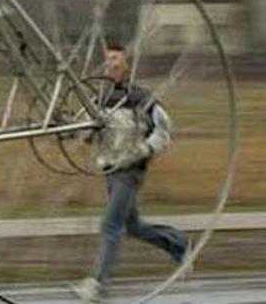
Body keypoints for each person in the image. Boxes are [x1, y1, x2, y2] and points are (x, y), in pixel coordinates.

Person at [71, 42, 192, 303]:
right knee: (132, 227)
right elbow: (89, 133)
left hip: (130, 172)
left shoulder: (142, 98)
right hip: (110, 169)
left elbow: (164, 131)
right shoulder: (100, 99)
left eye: (116, 58)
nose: (111, 64)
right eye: (108, 59)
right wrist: (80, 133)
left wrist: (144, 149)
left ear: (127, 63)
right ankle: (179, 243)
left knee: (110, 225)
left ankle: (98, 285)